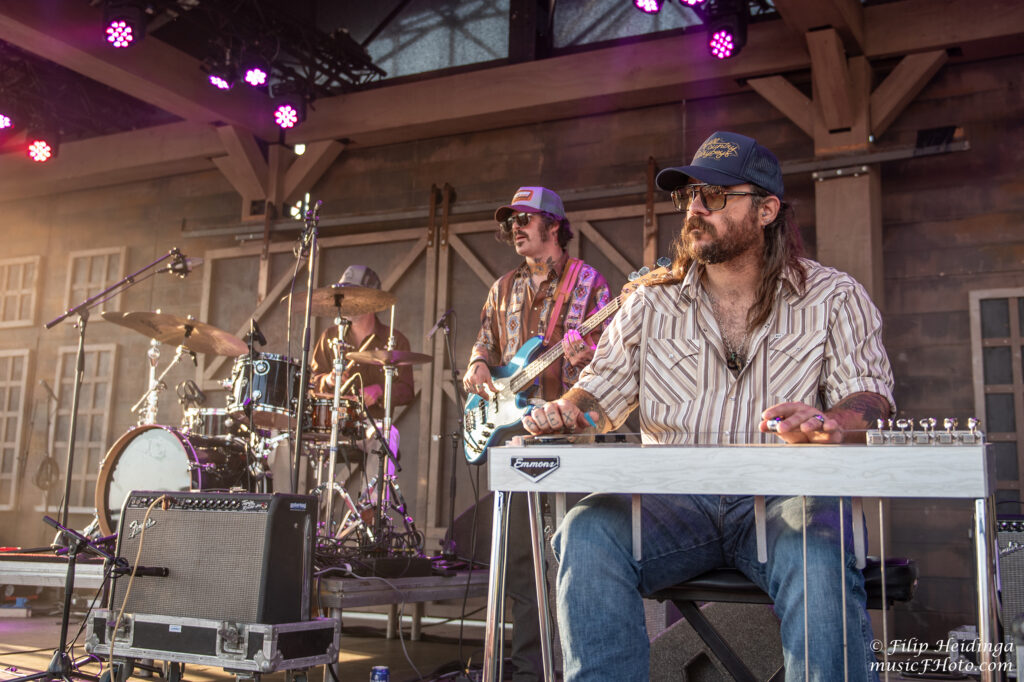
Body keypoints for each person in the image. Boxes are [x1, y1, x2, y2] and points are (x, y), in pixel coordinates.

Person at [522, 131, 894, 681]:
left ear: (766, 210)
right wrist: (570, 410)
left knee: (818, 551)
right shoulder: (649, 302)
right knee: (586, 531)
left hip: (785, 499)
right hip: (672, 502)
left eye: (715, 196)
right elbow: (599, 396)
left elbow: (871, 397)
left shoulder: (834, 296)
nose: (695, 208)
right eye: (690, 195)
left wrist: (830, 421)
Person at [463, 186, 611, 682]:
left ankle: (577, 665)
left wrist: (587, 356)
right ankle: (529, 671)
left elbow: (612, 361)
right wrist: (478, 365)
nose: (515, 228)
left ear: (553, 224)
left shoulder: (590, 283)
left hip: (569, 439)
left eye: (524, 219)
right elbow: (485, 343)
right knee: (522, 562)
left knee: (576, 552)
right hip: (514, 436)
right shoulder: (501, 287)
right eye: (511, 222)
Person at [310, 264, 414, 423]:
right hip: (332, 426)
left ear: (372, 300)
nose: (345, 301)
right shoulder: (329, 337)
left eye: (353, 295)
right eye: (343, 295)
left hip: (375, 429)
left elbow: (407, 391)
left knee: (391, 436)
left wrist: (380, 390)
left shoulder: (395, 340)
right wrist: (329, 380)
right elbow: (311, 383)